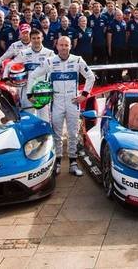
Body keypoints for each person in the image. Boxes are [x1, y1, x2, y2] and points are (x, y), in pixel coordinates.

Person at [28, 35, 95, 176]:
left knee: (72, 134)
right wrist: (30, 94)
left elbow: (91, 77)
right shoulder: (50, 62)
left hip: (73, 101)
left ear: (70, 46)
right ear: (56, 46)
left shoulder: (77, 60)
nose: (64, 48)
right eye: (61, 45)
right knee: (57, 134)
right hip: (56, 102)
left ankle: (73, 163)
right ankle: (57, 162)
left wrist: (84, 95)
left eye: (66, 45)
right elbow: (33, 75)